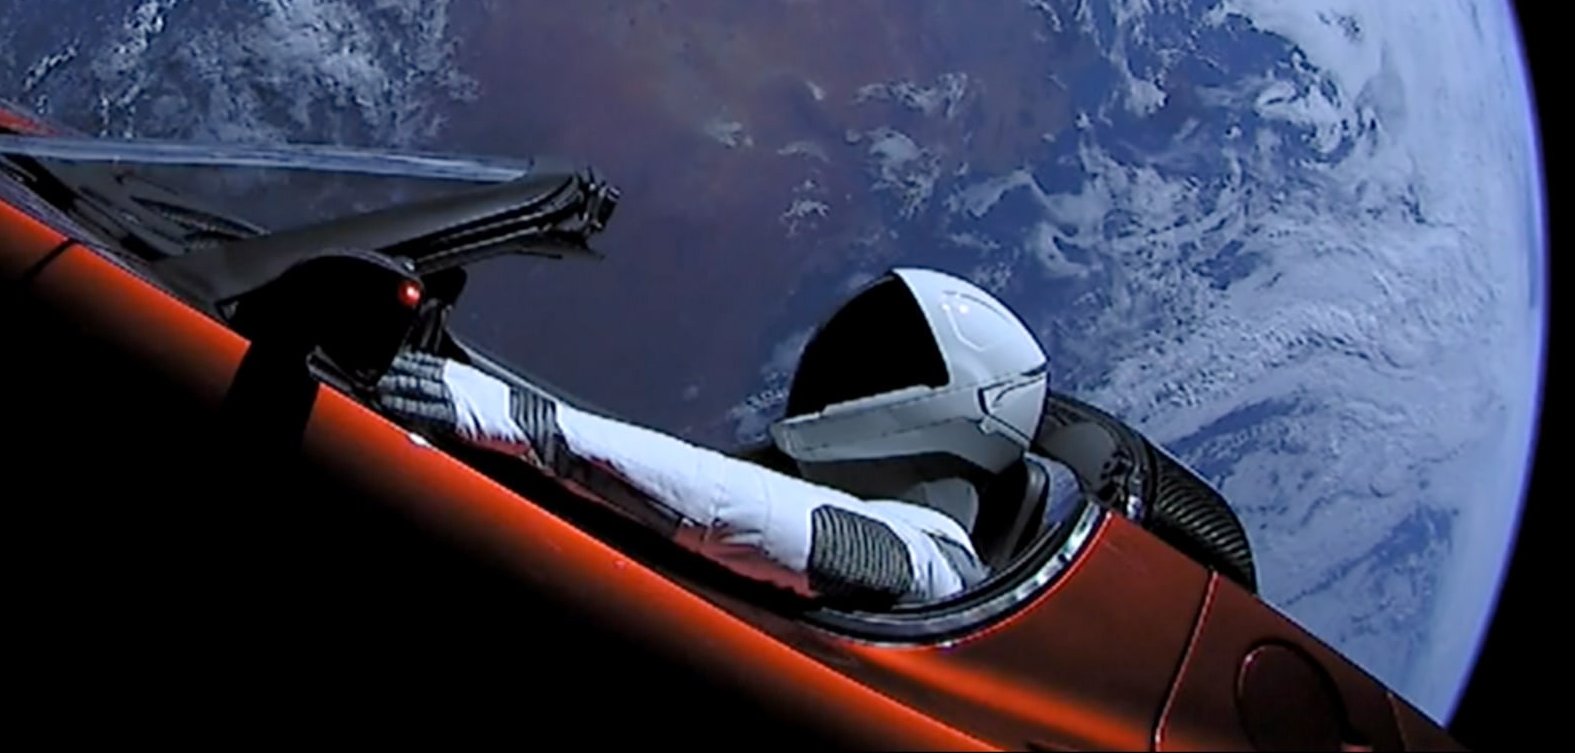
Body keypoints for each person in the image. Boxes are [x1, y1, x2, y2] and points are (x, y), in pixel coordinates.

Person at [373, 268, 1067, 610]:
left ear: (950, 409)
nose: (838, 370)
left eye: (879, 359)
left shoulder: (931, 570)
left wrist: (521, 420)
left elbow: (752, 517)